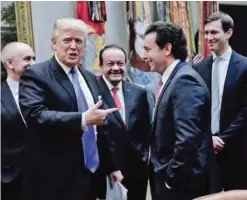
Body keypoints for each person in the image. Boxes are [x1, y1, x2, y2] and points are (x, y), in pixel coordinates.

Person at [18, 18, 122, 200]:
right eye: (67, 40)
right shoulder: (36, 75)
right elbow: (35, 115)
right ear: (54, 44)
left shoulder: (90, 78)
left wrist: (112, 166)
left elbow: (100, 125)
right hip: (56, 178)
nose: (73, 46)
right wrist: (82, 120)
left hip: (93, 175)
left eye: (79, 41)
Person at [143, 21, 219, 200]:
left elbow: (187, 139)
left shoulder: (184, 81)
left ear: (167, 49)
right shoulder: (173, 78)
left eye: (148, 49)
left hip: (182, 186)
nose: (144, 56)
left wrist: (172, 179)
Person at [193, 11, 247, 190]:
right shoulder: (198, 68)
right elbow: (196, 109)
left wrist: (222, 138)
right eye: (206, 33)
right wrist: (208, 137)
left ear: (228, 33)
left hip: (237, 148)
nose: (209, 37)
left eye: (214, 32)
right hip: (206, 149)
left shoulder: (244, 66)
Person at [97, 44, 151, 200]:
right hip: (107, 171)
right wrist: (111, 166)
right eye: (110, 64)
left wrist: (143, 157)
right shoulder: (93, 91)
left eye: (120, 64)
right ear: (101, 66)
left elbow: (144, 129)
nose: (116, 68)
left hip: (136, 171)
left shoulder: (138, 92)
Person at [1, 42, 35, 200]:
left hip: (45, 178)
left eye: (34, 58)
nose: (33, 64)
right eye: (27, 59)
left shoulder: (44, 92)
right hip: (9, 180)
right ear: (9, 63)